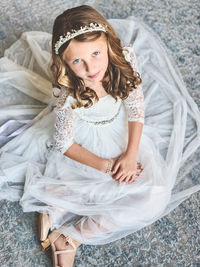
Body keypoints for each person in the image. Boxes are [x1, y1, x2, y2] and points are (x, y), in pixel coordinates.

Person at [0, 4, 200, 267]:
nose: (91, 67)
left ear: (108, 44)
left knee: (154, 195)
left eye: (96, 53)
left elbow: (135, 107)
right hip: (84, 147)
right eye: (77, 61)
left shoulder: (123, 60)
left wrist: (129, 155)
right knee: (102, 190)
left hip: (121, 133)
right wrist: (107, 167)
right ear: (65, 63)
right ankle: (59, 208)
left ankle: (70, 231)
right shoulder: (68, 93)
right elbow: (64, 144)